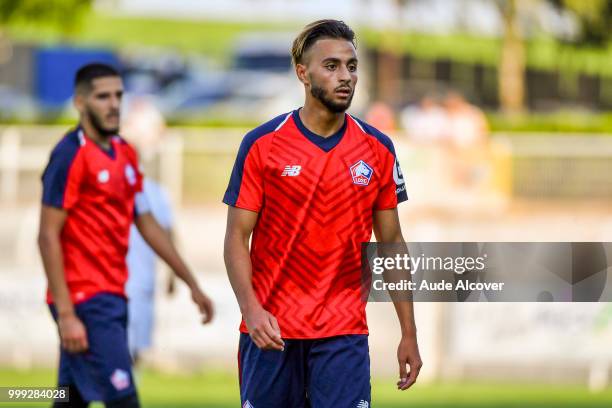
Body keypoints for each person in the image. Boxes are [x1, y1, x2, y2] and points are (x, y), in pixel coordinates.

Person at [223, 20, 422, 408]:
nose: (345, 76)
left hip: (342, 332)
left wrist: (408, 333)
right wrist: (251, 309)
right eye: (331, 66)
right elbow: (235, 237)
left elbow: (392, 243)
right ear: (303, 72)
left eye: (351, 66)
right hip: (271, 331)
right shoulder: (263, 145)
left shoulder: (377, 148)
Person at [38, 63, 214, 408]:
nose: (113, 104)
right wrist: (67, 313)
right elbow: (47, 236)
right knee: (124, 398)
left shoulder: (125, 154)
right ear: (80, 102)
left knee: (69, 398)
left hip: (114, 293)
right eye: (102, 96)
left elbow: (147, 223)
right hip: (86, 299)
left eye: (118, 95)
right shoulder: (69, 155)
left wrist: (191, 282)